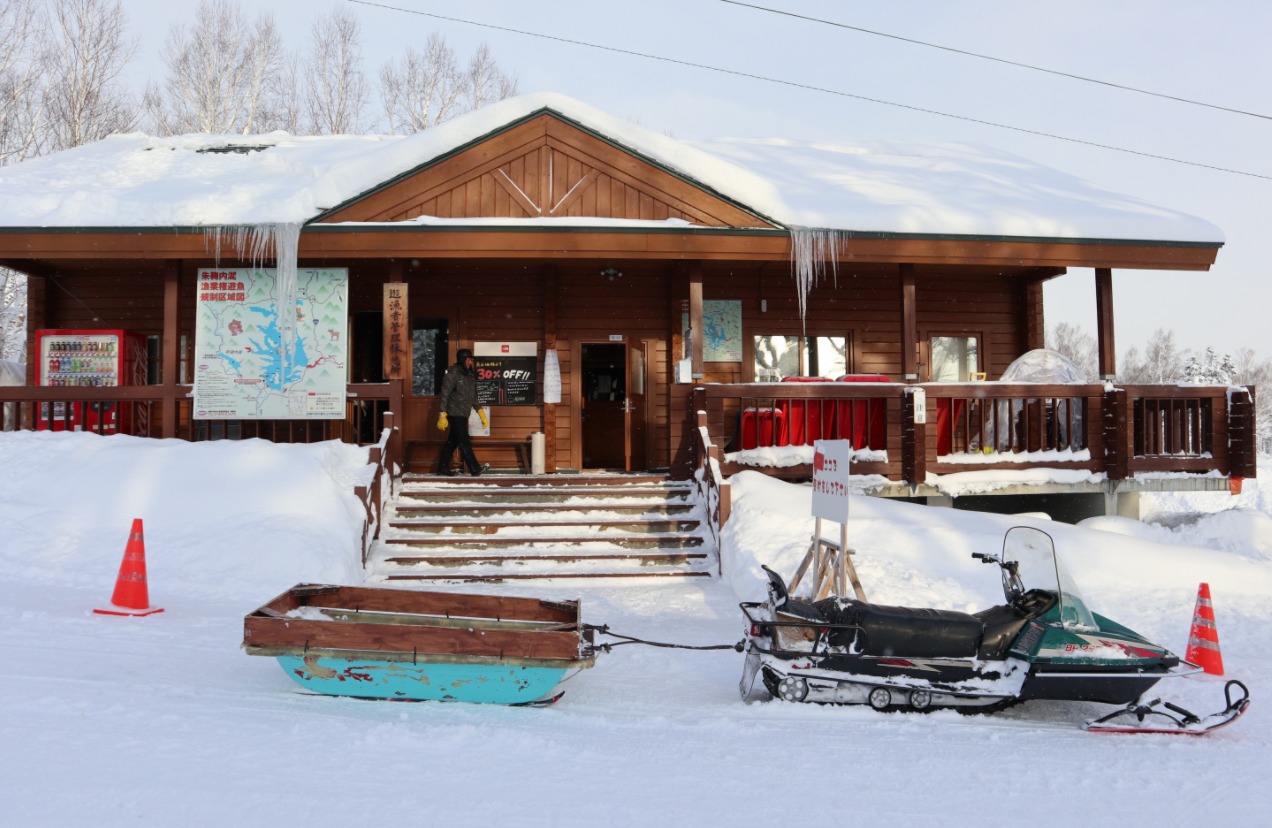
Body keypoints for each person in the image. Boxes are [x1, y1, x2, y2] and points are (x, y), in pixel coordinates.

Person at [436, 348, 489, 476]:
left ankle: (442, 468)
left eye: (472, 360)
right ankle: (474, 468)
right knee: (464, 441)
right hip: (455, 413)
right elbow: (444, 394)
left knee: (452, 442)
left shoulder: (470, 376)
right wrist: (442, 414)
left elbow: (473, 397)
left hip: (464, 413)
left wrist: (480, 412)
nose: (471, 362)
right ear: (463, 360)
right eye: (469, 359)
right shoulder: (452, 374)